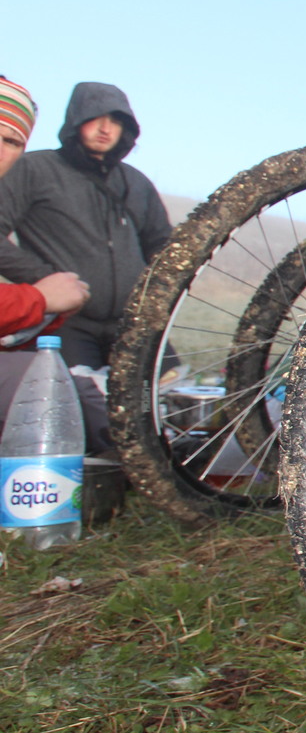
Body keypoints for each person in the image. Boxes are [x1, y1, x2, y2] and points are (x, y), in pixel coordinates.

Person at [0, 81, 171, 370]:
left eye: (117, 120)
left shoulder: (137, 183)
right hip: (65, 323)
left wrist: (155, 303)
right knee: (75, 402)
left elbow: (165, 250)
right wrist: (49, 281)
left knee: (159, 404)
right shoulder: (33, 168)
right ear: (75, 119)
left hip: (133, 326)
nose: (106, 128)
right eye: (95, 117)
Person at [0, 75, 111, 463]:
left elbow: (161, 245)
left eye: (11, 140)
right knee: (41, 384)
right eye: (96, 118)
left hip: (88, 319)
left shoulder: (134, 184)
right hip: (59, 314)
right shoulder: (40, 170)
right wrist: (40, 291)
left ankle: (149, 460)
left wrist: (45, 309)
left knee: (76, 388)